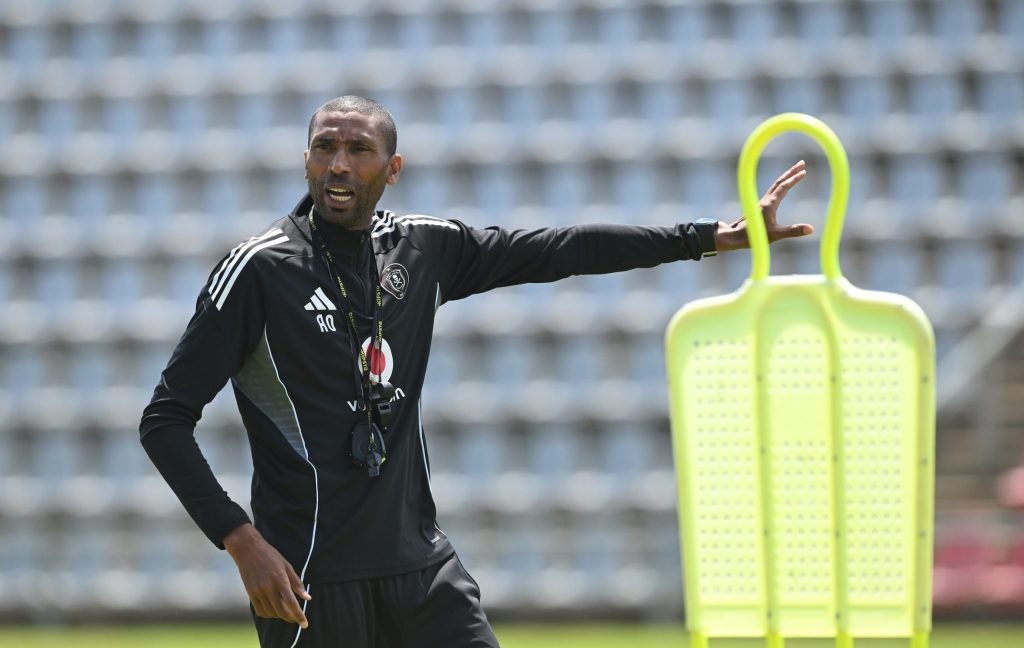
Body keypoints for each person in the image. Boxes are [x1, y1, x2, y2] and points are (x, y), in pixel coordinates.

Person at [139, 95, 811, 648]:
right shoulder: (259, 269)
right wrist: (241, 541)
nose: (338, 164)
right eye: (324, 147)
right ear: (306, 159)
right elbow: (165, 421)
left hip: (421, 569)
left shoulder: (423, 248)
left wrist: (707, 237)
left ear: (392, 168)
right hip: (310, 580)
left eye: (358, 150)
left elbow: (558, 250)